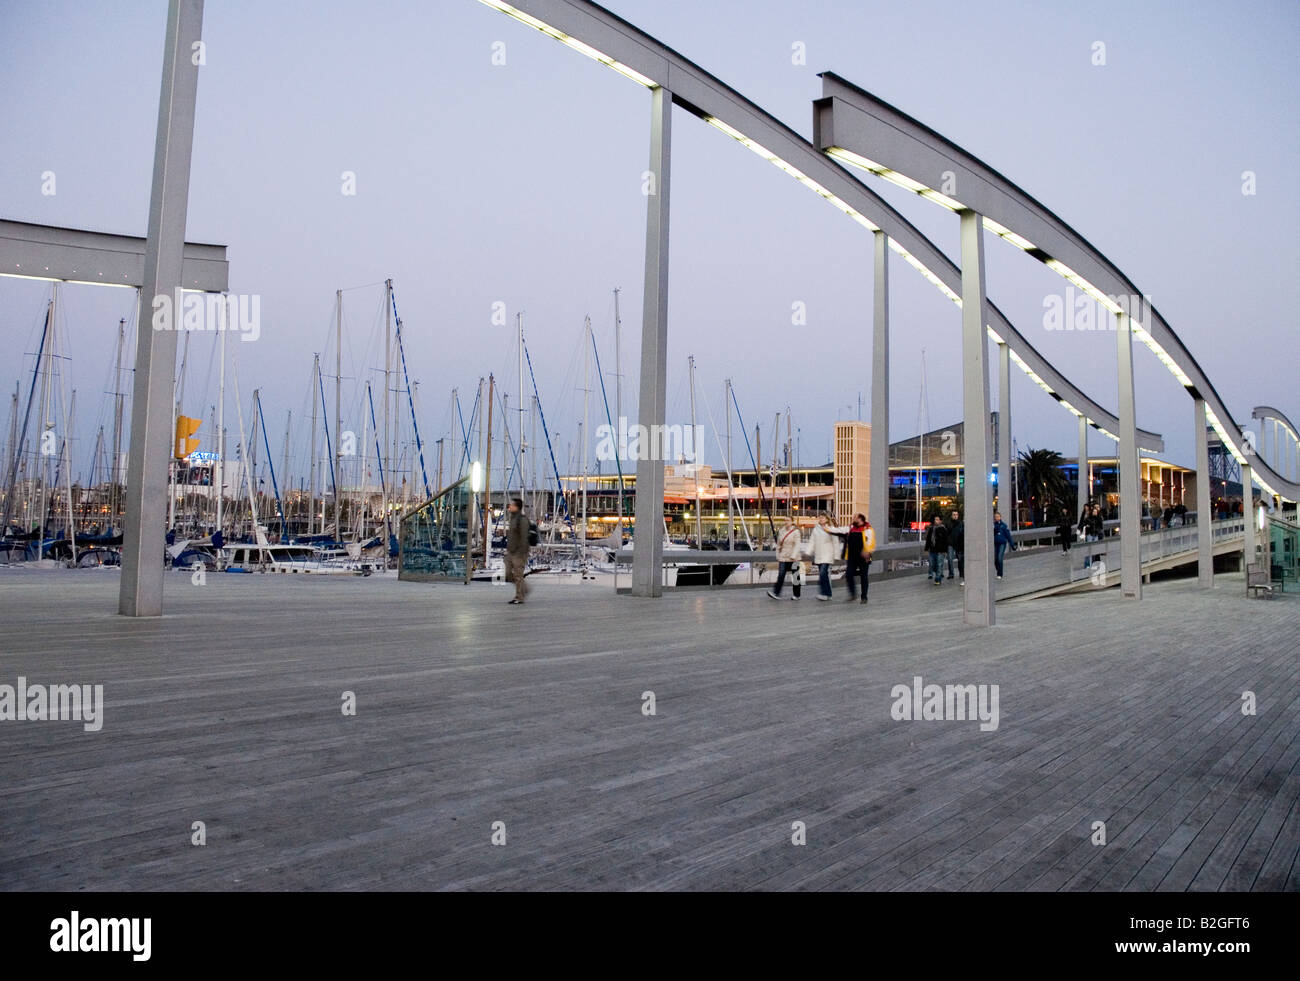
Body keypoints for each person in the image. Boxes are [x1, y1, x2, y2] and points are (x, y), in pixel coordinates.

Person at [835, 513, 874, 604]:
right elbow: (838, 530)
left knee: (864, 576)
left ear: (860, 519)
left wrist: (867, 551)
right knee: (848, 574)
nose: (853, 519)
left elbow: (871, 541)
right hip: (851, 557)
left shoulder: (868, 529)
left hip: (863, 557)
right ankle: (853, 594)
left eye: (855, 518)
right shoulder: (850, 528)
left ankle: (864, 597)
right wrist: (826, 528)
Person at [766, 517, 803, 601]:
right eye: (785, 520)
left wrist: (793, 555)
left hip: (794, 558)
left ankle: (797, 595)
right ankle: (776, 593)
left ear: (792, 522)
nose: (786, 522)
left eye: (788, 520)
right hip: (783, 557)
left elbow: (797, 545)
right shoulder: (781, 531)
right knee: (781, 575)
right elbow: (779, 545)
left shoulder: (796, 532)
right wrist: (778, 555)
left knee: (795, 576)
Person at [505, 497, 531, 604]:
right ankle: (524, 589)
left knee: (518, 575)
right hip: (511, 551)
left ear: (517, 507)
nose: (509, 506)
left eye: (511, 505)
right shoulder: (512, 518)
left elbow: (525, 537)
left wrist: (521, 552)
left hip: (519, 553)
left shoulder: (522, 520)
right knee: (508, 575)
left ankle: (519, 597)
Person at [808, 514, 838, 601]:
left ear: (827, 519)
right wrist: (808, 551)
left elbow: (835, 542)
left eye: (822, 518)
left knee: (823, 573)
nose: (821, 519)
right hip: (819, 555)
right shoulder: (816, 529)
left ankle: (824, 593)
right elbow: (812, 541)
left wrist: (836, 555)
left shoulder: (831, 529)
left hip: (828, 555)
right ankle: (828, 594)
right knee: (823, 574)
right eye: (820, 518)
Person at [924, 515, 950, 585]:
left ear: (940, 521)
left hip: (940, 551)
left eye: (938, 519)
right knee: (932, 564)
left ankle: (938, 579)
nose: (936, 521)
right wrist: (926, 549)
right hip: (932, 550)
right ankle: (938, 573)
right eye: (935, 519)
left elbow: (946, 541)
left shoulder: (943, 529)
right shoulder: (931, 529)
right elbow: (928, 540)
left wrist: (945, 550)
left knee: (939, 564)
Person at [993, 510, 1015, 579]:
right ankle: (998, 569)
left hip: (1002, 543)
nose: (997, 518)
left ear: (1000, 517)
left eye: (998, 516)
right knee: (996, 559)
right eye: (995, 517)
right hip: (996, 543)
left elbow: (1008, 536)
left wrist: (1012, 545)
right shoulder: (993, 526)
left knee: (1000, 558)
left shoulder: (1004, 526)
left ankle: (1000, 574)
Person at [946, 509, 965, 584]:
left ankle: (961, 573)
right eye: (954, 515)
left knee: (960, 559)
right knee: (950, 559)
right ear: (951, 515)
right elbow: (948, 530)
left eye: (956, 515)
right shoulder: (948, 523)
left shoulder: (961, 523)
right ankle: (951, 574)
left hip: (958, 544)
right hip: (950, 544)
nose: (955, 516)